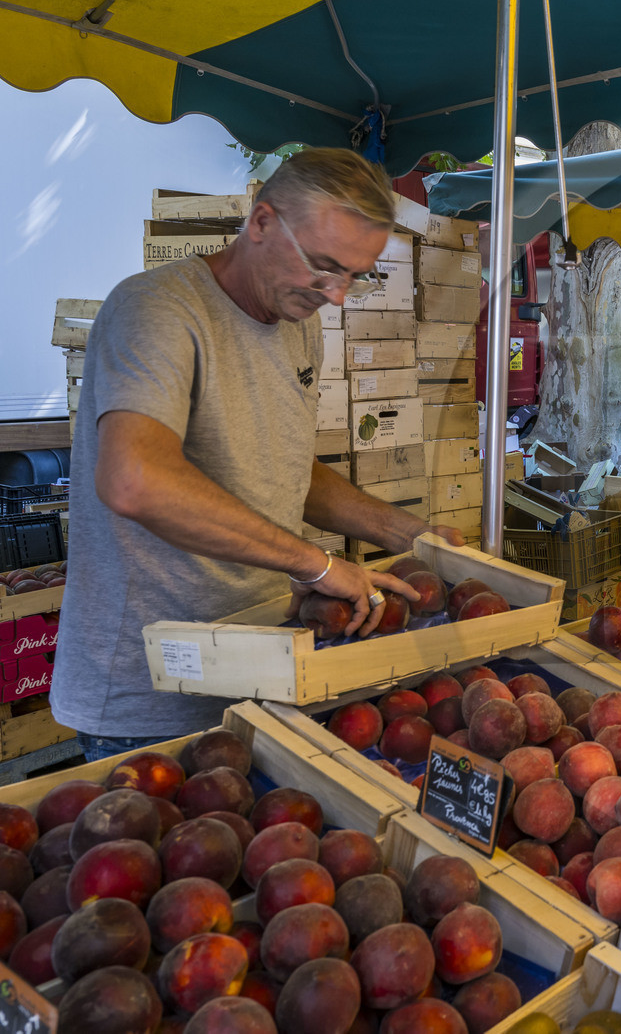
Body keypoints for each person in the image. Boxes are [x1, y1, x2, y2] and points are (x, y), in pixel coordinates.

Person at [51, 148, 465, 758]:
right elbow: (133, 479)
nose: (339, 295)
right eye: (325, 267)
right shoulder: (159, 310)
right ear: (262, 221)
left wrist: (409, 533)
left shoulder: (297, 322)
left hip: (264, 668)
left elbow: (284, 463)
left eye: (356, 274)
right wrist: (316, 565)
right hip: (149, 699)